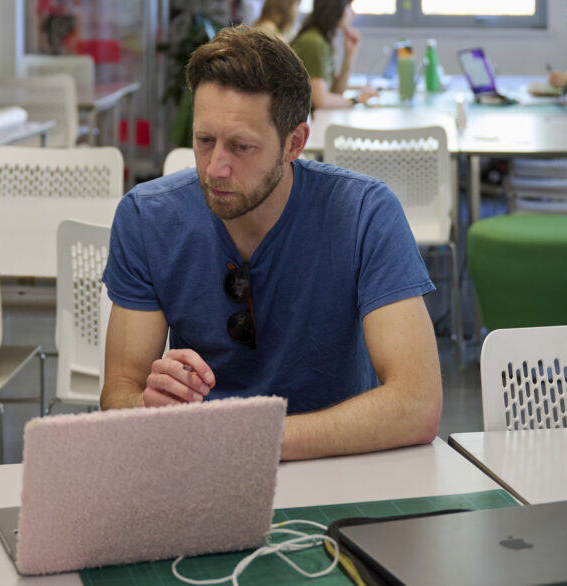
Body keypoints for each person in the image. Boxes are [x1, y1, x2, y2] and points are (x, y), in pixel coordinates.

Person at [101, 26, 442, 461]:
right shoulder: (147, 217)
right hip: (202, 465)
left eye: (241, 147)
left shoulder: (363, 213)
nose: (216, 169)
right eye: (204, 141)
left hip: (338, 464)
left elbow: (417, 404)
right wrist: (148, 409)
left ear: (294, 143)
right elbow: (118, 393)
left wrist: (245, 437)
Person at [290, 0, 378, 109]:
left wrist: (349, 55)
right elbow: (321, 101)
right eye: (349, 6)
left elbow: (335, 92)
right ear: (335, 9)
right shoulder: (313, 42)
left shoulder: (321, 40)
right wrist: (357, 100)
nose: (354, 14)